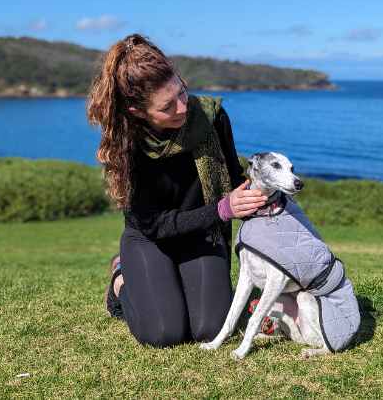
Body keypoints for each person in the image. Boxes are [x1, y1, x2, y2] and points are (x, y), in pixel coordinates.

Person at [86, 34, 268, 348]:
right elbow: (152, 223)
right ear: (137, 111)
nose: (183, 107)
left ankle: (173, 284)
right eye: (168, 106)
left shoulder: (212, 116)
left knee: (209, 329)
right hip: (150, 238)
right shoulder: (128, 145)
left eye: (182, 91)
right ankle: (120, 279)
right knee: (164, 333)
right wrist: (224, 209)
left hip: (202, 234)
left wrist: (262, 189)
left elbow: (233, 174)